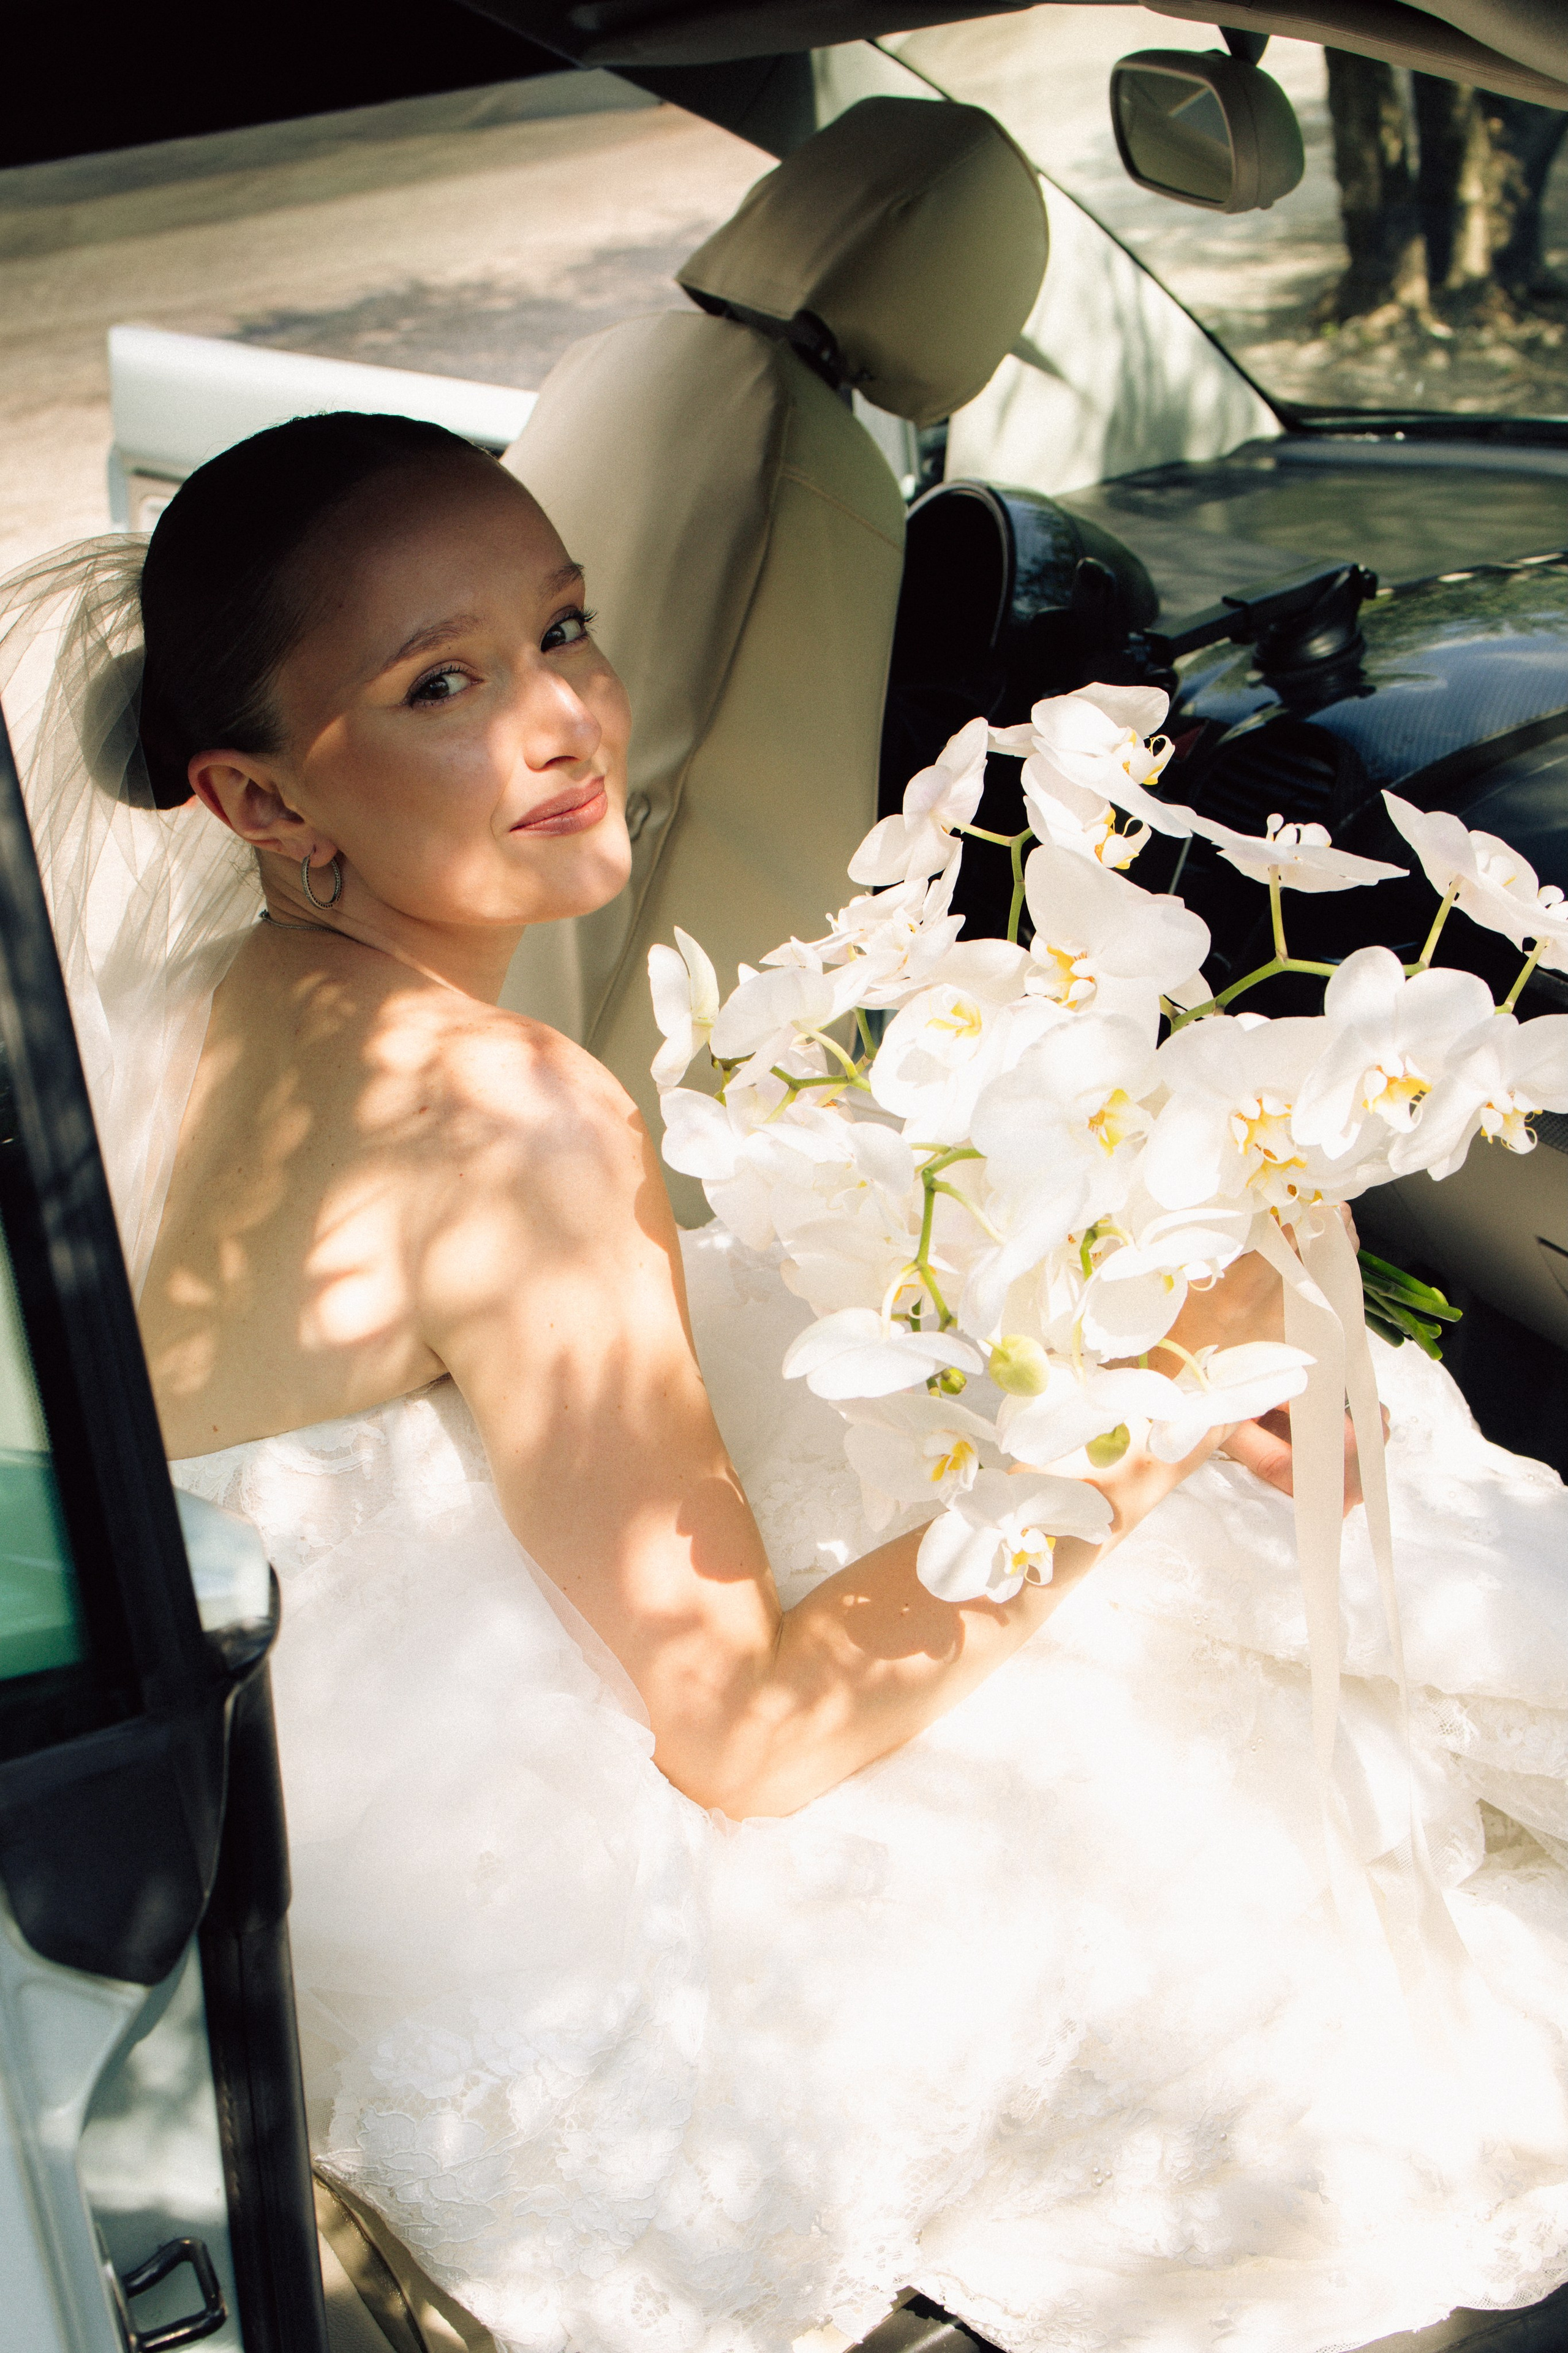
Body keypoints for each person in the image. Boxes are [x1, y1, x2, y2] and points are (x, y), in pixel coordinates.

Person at [6, 413, 1566, 2353]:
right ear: (263, 802)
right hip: (548, 1940)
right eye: (444, 683)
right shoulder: (510, 1120)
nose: (565, 716)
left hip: (296, 1850)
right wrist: (1142, 1410)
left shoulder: (242, 1012)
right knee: (1282, 1757)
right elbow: (745, 1734)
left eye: (563, 627)